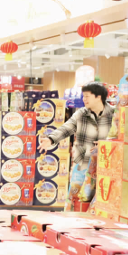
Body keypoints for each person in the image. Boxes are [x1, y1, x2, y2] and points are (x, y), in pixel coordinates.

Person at [39, 82, 114, 210]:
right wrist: (51, 139)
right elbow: (66, 127)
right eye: (83, 96)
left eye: (87, 96)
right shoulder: (81, 114)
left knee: (102, 203)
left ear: (98, 97)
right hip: (82, 167)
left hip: (106, 167)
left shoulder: (113, 114)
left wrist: (105, 145)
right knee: (76, 201)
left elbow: (119, 137)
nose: (84, 99)